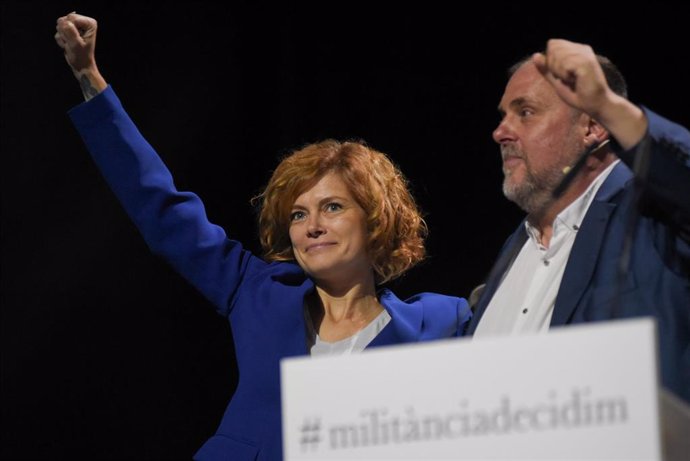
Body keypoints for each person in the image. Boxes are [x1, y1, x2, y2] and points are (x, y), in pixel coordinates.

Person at [54, 12, 471, 461]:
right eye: (297, 214)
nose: (311, 226)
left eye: (332, 207)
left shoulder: (440, 322)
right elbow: (160, 209)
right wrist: (88, 77)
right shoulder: (258, 292)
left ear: (375, 221)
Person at [466, 39, 690, 404]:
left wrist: (608, 105)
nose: (500, 131)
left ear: (592, 128)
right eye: (504, 114)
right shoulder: (513, 249)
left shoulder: (652, 216)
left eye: (525, 112)